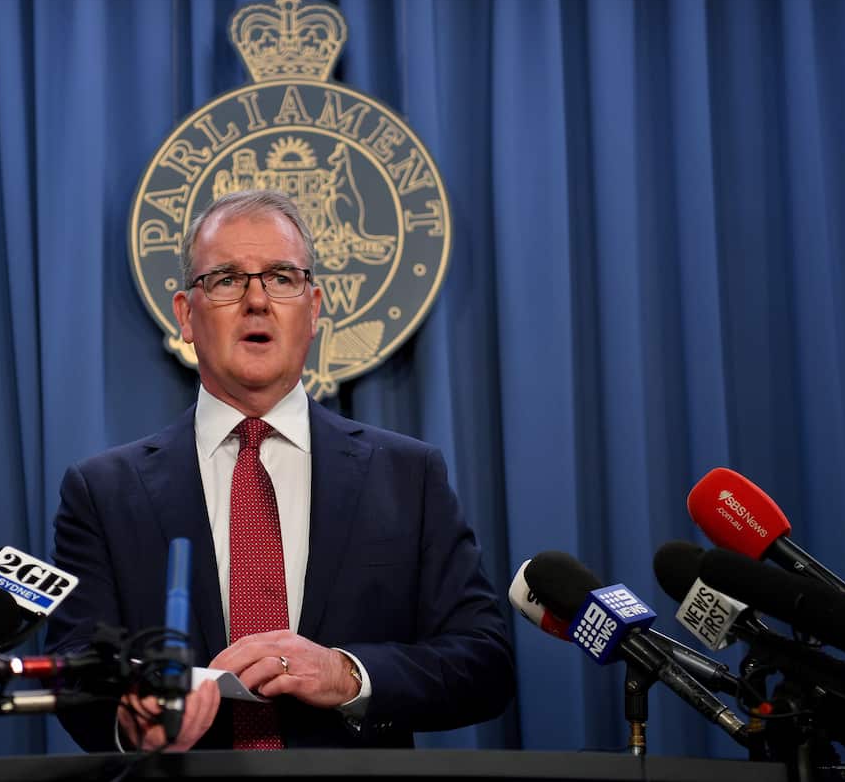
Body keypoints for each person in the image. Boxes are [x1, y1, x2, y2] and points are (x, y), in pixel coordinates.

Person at [45, 189, 514, 751]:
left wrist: (349, 674)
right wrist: (129, 716)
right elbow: (74, 674)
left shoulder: (409, 478)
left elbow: (484, 662)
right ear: (185, 315)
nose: (257, 301)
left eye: (282, 278)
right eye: (226, 279)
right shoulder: (103, 492)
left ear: (312, 308)